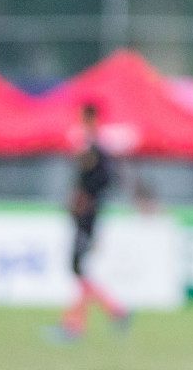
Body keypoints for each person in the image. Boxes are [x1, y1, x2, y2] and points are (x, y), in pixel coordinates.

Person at [48, 103, 129, 342]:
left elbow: (100, 182)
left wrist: (85, 201)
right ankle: (104, 314)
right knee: (80, 271)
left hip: (88, 218)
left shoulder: (95, 151)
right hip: (86, 217)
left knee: (78, 269)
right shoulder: (90, 149)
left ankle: (85, 322)